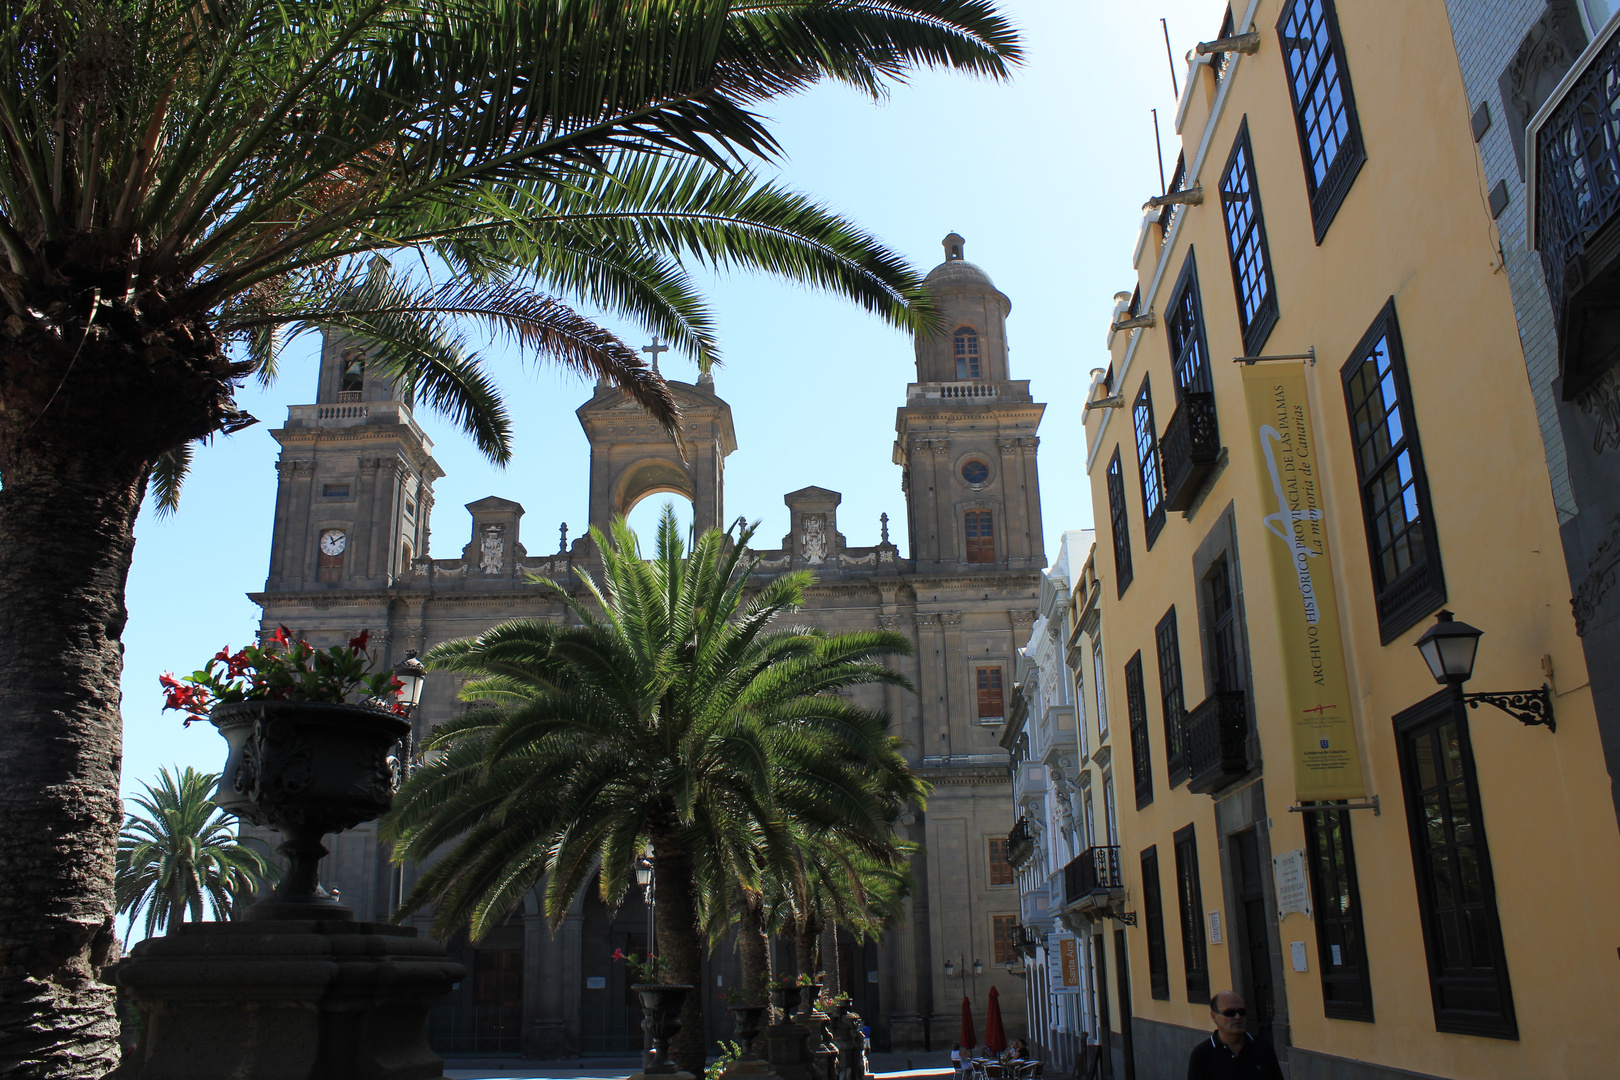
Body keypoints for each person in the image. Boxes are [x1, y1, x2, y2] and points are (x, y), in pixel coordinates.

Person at [1187, 991, 1283, 1080]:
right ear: (1213, 1016)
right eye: (1229, 1013)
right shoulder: (1201, 1055)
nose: (1237, 1017)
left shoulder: (1263, 1048)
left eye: (1242, 1012)